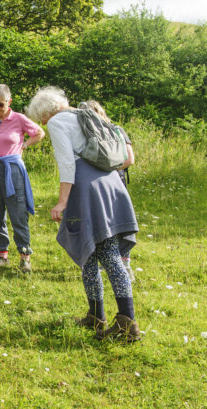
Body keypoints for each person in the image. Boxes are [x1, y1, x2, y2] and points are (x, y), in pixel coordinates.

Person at [26, 87, 141, 341]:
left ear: (46, 111)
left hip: (87, 188)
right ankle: (96, 315)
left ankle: (127, 323)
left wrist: (62, 201)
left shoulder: (57, 121)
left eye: (41, 118)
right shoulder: (84, 112)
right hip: (110, 182)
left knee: (107, 252)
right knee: (89, 253)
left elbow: (67, 162)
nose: (43, 123)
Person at [0, 84, 45, 272]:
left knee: (17, 211)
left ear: (9, 102)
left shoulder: (19, 119)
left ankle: (24, 254)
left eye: (1, 105)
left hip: (13, 169)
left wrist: (25, 145)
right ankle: (2, 254)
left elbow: (39, 133)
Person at [78, 100, 136, 280]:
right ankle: (102, 261)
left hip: (114, 182)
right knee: (100, 220)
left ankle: (124, 263)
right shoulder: (84, 134)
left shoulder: (115, 130)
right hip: (97, 184)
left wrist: (107, 167)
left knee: (118, 221)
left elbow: (129, 159)